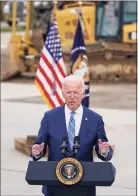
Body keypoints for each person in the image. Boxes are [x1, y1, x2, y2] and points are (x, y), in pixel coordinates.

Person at [31, 75, 113, 196]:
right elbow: (39, 146)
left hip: (84, 186)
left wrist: (104, 151)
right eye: (68, 92)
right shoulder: (50, 117)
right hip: (54, 185)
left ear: (83, 94)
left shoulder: (95, 119)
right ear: (63, 93)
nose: (72, 97)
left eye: (76, 92)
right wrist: (37, 152)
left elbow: (105, 151)